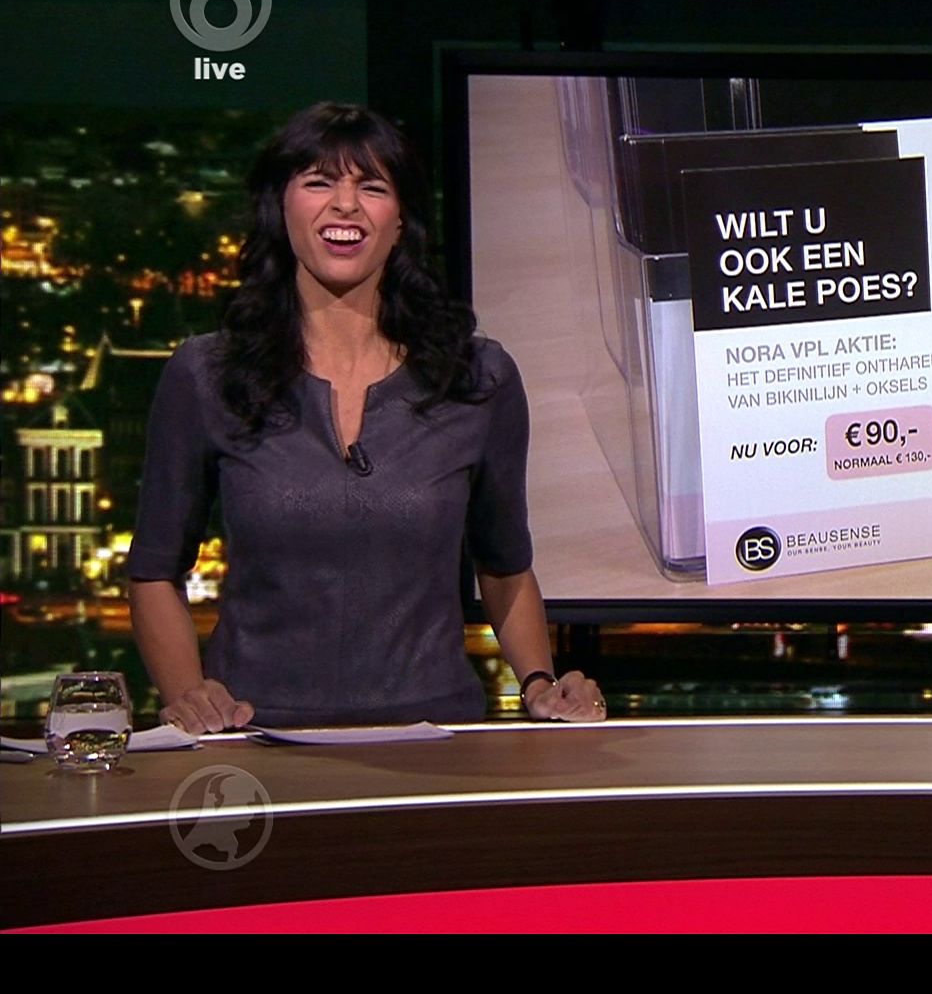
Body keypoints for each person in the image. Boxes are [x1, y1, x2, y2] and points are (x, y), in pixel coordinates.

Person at [128, 103, 605, 730]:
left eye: (372, 187)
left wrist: (538, 684)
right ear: (280, 207)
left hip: (436, 736)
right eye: (319, 182)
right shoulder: (207, 374)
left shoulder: (476, 378)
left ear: (400, 219)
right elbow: (154, 570)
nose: (346, 205)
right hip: (253, 737)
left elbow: (504, 566)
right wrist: (188, 695)